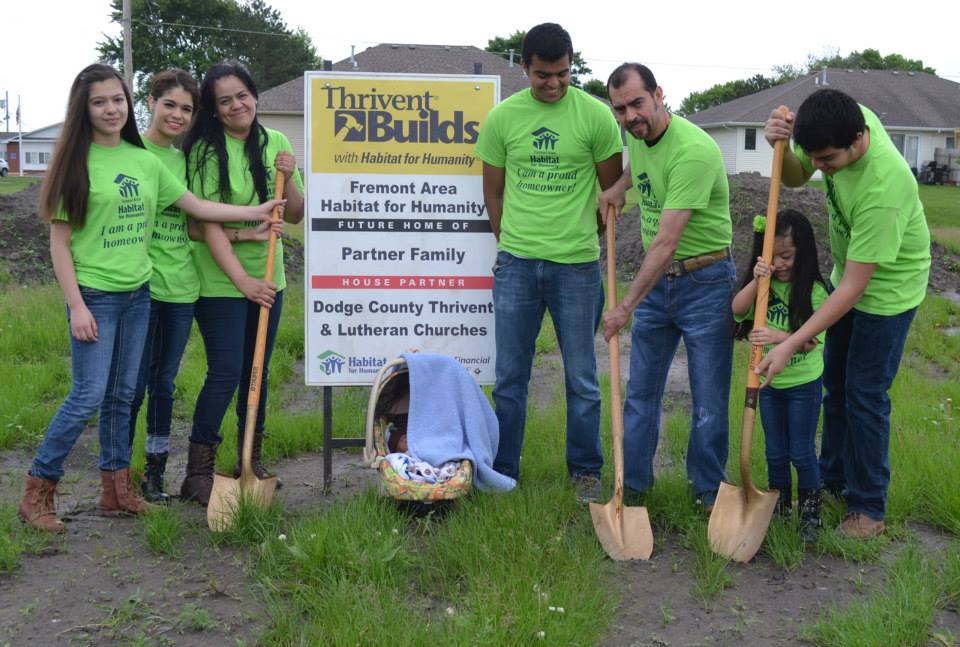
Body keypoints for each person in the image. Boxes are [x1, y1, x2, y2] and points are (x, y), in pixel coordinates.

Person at [18, 64, 281, 533]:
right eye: (99, 102)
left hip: (139, 293)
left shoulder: (143, 161)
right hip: (95, 296)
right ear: (85, 108)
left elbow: (197, 208)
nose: (110, 109)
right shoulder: (74, 162)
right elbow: (59, 243)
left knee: (122, 395)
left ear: (128, 103)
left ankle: (116, 491)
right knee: (87, 396)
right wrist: (76, 304)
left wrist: (254, 210)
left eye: (117, 99)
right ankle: (39, 488)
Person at [759, 88, 931, 539]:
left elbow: (855, 288)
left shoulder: (885, 184)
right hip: (849, 276)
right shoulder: (834, 121)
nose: (820, 167)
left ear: (859, 139)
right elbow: (795, 177)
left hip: (888, 292)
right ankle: (833, 480)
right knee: (834, 386)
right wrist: (777, 143)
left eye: (828, 159)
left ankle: (868, 508)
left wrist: (792, 341)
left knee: (865, 396)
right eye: (814, 156)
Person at [474, 23, 623, 503]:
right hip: (517, 265)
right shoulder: (503, 118)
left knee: (582, 377)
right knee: (511, 377)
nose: (554, 84)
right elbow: (492, 191)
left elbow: (610, 194)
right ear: (524, 67)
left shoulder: (597, 117)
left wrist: (584, 237)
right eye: (543, 75)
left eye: (562, 74)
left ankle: (584, 471)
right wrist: (509, 243)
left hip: (577, 267)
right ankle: (503, 470)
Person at [128, 69, 279, 503]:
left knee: (168, 382)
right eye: (169, 105)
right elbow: (200, 216)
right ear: (151, 102)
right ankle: (133, 475)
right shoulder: (145, 155)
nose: (177, 115)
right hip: (147, 286)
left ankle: (172, 470)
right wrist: (253, 222)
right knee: (135, 386)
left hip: (182, 286)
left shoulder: (184, 157)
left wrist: (251, 231)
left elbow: (196, 220)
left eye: (186, 109)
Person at [599, 63, 735, 513]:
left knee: (709, 399)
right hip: (661, 288)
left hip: (706, 283)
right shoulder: (638, 139)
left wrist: (624, 308)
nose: (630, 116)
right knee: (640, 394)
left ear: (658, 94)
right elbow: (638, 167)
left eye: (637, 104)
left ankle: (708, 494)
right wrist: (618, 187)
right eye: (620, 109)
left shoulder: (693, 150)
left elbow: (666, 241)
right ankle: (632, 487)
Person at [179, 61, 304, 506]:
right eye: (225, 100)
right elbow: (204, 222)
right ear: (214, 109)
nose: (236, 105)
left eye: (242, 95)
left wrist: (288, 176)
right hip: (220, 280)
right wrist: (242, 280)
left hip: (271, 279)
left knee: (258, 372)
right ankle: (197, 472)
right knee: (227, 371)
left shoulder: (278, 142)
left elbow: (293, 214)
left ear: (255, 95)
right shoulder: (205, 152)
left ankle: (250, 459)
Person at [732, 210, 828, 541]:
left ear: (803, 252)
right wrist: (759, 279)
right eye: (773, 257)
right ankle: (779, 505)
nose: (781, 264)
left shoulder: (815, 292)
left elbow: (812, 341)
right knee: (775, 450)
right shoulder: (765, 286)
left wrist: (778, 337)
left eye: (786, 256)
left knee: (800, 450)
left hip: (803, 385)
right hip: (767, 385)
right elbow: (737, 309)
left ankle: (811, 512)